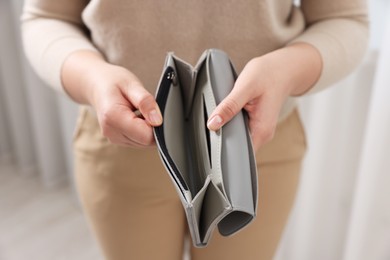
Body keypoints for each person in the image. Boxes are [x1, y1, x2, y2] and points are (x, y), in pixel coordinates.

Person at [21, 1, 368, 259]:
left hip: (256, 151)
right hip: (121, 149)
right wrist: (94, 80)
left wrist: (286, 71)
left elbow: (345, 19)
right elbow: (46, 17)